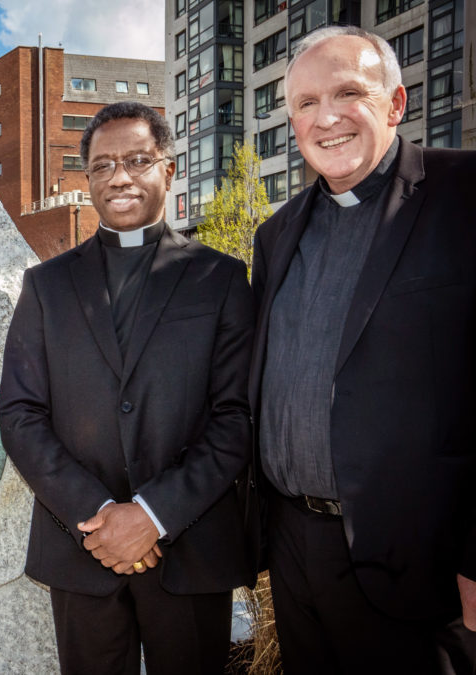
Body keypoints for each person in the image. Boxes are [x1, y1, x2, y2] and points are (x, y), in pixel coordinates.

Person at [0, 101, 254, 675]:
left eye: (137, 161)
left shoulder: (220, 278)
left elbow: (236, 416)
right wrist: (97, 515)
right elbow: (20, 413)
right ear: (87, 177)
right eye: (102, 165)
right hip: (82, 550)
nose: (119, 177)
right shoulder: (46, 286)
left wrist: (153, 515)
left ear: (168, 169)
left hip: (189, 550)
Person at [250, 25, 476, 674]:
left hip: (420, 561)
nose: (326, 118)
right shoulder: (276, 234)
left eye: (348, 93)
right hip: (293, 550)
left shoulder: (465, 194)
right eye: (306, 103)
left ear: (396, 103)